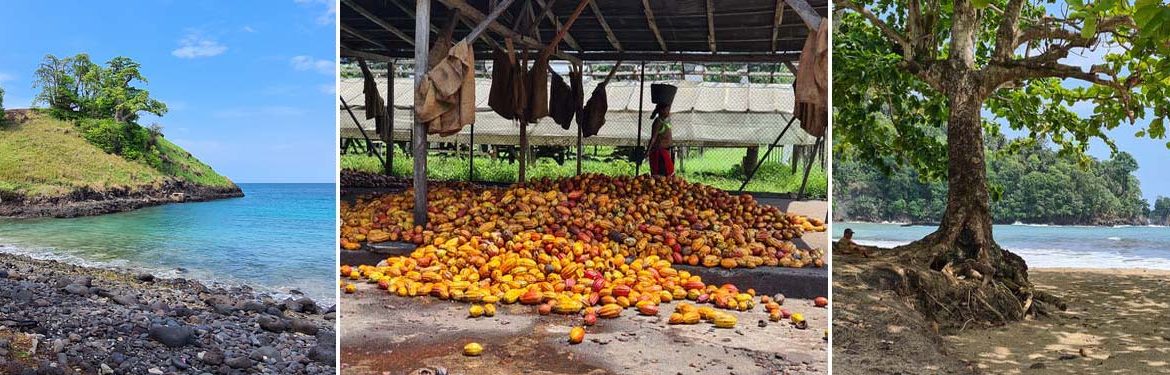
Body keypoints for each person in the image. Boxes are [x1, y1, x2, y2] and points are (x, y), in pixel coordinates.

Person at [647, 83, 678, 176]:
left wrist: (670, 94)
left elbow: (669, 104)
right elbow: (653, 138)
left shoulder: (667, 118)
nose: (668, 112)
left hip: (667, 151)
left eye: (668, 109)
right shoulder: (658, 122)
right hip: (660, 153)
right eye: (666, 110)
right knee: (662, 176)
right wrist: (647, 152)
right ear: (661, 111)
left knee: (669, 175)